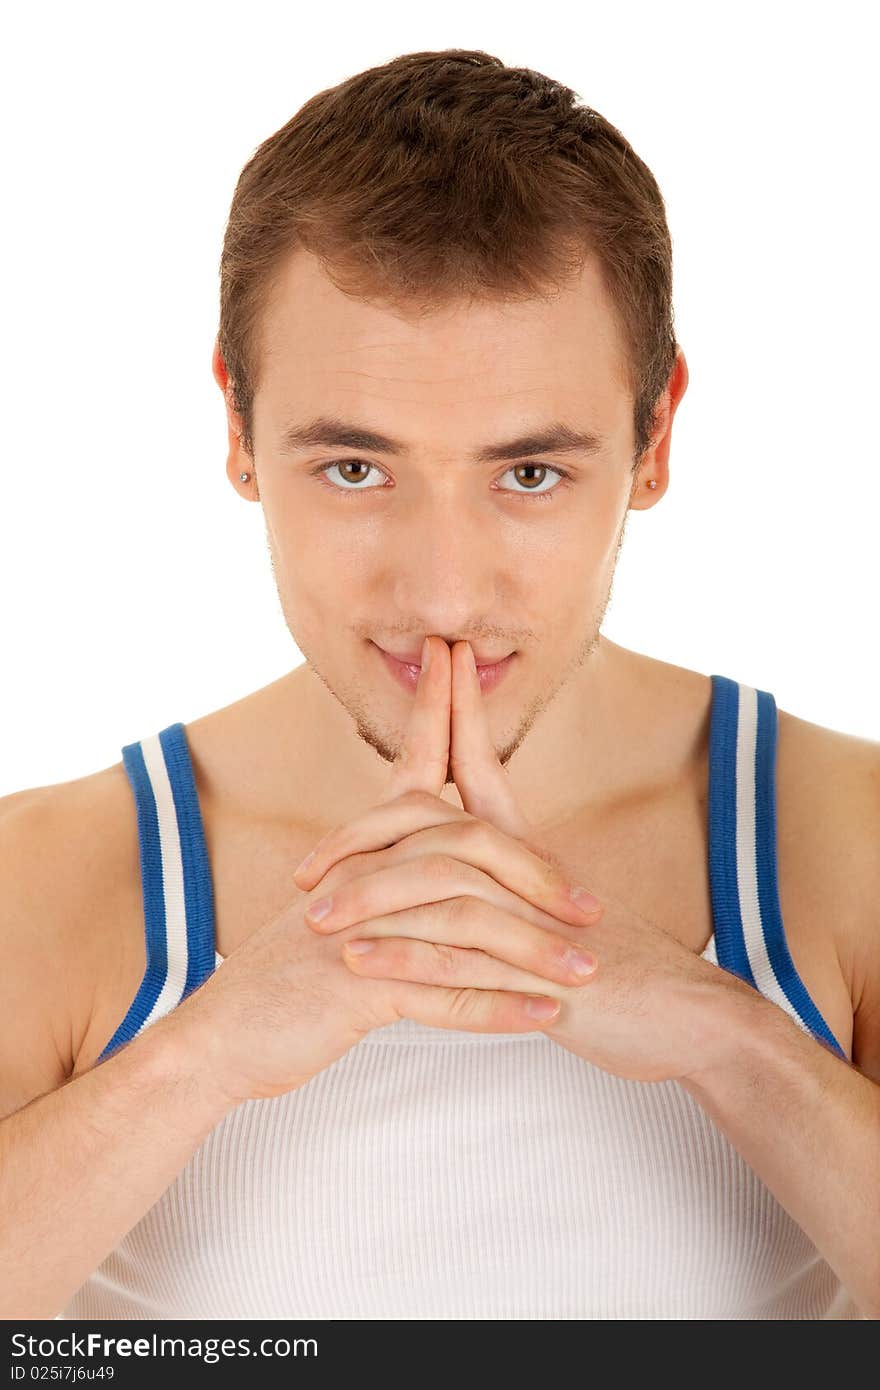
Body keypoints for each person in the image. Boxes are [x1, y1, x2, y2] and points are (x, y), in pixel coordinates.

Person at [1, 48, 877, 1322]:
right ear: (239, 429)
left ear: (655, 437)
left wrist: (719, 1033)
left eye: (529, 473)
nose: (446, 590)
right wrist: (199, 1056)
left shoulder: (845, 841)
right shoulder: (51, 878)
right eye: (356, 468)